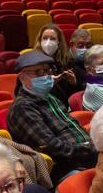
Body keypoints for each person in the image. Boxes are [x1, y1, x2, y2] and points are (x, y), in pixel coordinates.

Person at [5, 50, 96, 181]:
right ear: (22, 77)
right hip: (63, 170)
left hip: (84, 158)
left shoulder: (49, 97)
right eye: (38, 72)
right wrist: (91, 150)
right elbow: (52, 148)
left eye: (47, 71)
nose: (45, 76)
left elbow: (72, 128)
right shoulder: (23, 108)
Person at [33, 23, 82, 102]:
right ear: (40, 40)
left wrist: (74, 84)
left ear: (59, 42)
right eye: (45, 38)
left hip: (63, 106)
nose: (48, 42)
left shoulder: (67, 62)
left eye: (52, 39)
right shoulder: (32, 63)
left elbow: (75, 95)